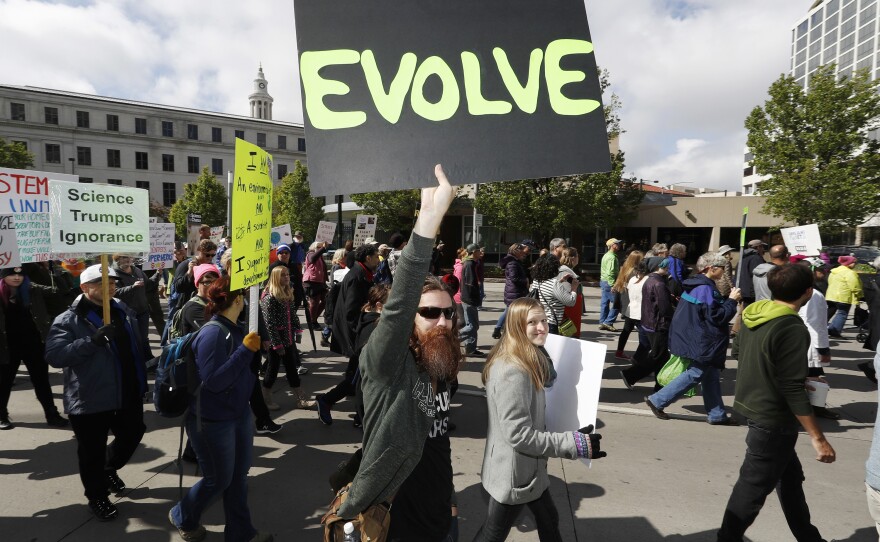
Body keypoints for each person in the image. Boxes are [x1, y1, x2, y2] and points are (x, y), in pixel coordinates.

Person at [335, 165, 458, 542]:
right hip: (390, 518)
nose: (442, 321)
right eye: (429, 313)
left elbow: (437, 439)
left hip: (441, 513)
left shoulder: (440, 360)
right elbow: (399, 301)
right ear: (408, 319)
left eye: (448, 313)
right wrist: (428, 221)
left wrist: (450, 499)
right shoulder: (386, 360)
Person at [717, 264, 836, 542]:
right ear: (807, 292)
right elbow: (792, 387)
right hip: (772, 419)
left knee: (790, 481)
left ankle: (809, 538)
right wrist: (818, 438)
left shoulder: (751, 314)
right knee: (751, 490)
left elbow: (740, 352)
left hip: (752, 406)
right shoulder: (792, 326)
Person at [472, 297, 606, 541]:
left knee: (549, 521)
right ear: (515, 327)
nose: (542, 327)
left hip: (530, 471)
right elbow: (519, 435)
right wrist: (573, 444)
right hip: (515, 474)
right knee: (493, 534)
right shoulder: (512, 370)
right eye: (532, 322)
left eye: (544, 320)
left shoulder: (529, 357)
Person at [168, 276, 273, 542]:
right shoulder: (214, 332)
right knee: (218, 480)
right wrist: (245, 352)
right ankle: (182, 515)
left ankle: (241, 533)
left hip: (236, 415)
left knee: (238, 478)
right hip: (212, 421)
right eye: (246, 296)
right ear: (237, 300)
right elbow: (213, 381)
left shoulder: (234, 328)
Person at [46, 264, 147, 521]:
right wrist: (90, 342)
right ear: (84, 287)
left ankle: (108, 467)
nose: (110, 287)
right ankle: (97, 496)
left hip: (126, 390)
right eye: (101, 283)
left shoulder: (122, 309)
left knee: (133, 432)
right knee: (91, 451)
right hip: (90, 396)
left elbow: (134, 348)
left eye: (112, 282)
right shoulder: (68, 319)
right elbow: (55, 355)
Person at [645, 253, 741, 424]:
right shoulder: (705, 288)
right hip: (703, 339)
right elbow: (717, 317)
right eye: (722, 268)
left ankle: (717, 414)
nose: (725, 272)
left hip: (696, 337)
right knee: (697, 373)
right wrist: (732, 301)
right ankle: (657, 400)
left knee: (710, 375)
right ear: (711, 269)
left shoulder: (697, 284)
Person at [0, 267, 68, 429]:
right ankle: (2, 416)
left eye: (20, 274)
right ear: (3, 276)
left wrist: (55, 274)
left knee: (42, 381)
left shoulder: (33, 289)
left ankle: (52, 414)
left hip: (34, 344)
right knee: (4, 382)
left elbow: (56, 293)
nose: (17, 278)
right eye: (12, 274)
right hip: (7, 346)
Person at [316, 284, 389, 426]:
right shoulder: (374, 324)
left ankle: (329, 402)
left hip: (360, 361)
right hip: (362, 362)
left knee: (353, 384)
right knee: (354, 385)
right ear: (379, 306)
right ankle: (326, 401)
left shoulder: (373, 317)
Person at [260, 266, 313, 410]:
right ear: (276, 277)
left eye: (288, 274)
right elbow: (269, 324)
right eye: (283, 275)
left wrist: (297, 330)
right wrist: (277, 345)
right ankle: (266, 398)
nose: (287, 277)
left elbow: (293, 315)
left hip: (287, 338)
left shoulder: (286, 293)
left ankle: (301, 399)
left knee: (291, 369)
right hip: (275, 342)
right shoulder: (269, 297)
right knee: (272, 369)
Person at [620, 258, 674, 390]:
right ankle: (630, 375)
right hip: (658, 324)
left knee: (661, 356)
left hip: (650, 323)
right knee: (658, 356)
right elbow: (665, 308)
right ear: (656, 267)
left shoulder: (650, 280)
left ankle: (659, 385)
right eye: (664, 266)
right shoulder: (658, 283)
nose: (667, 268)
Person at [797, 260, 840, 420]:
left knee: (809, 377)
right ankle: (814, 409)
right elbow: (815, 324)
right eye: (822, 269)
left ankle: (812, 408)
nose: (825, 272)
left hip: (802, 340)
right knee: (814, 378)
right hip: (810, 343)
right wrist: (822, 348)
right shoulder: (814, 295)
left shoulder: (798, 290)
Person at [330, 243, 380, 358]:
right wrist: (359, 330)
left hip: (354, 328)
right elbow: (351, 309)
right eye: (376, 257)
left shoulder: (361, 272)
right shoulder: (357, 276)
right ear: (368, 258)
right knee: (355, 364)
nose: (379, 260)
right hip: (353, 329)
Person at [112, 253, 154, 360]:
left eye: (130, 257)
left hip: (143, 310)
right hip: (128, 313)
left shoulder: (137, 270)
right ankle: (137, 361)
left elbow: (148, 284)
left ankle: (148, 360)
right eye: (125, 257)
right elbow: (114, 292)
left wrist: (158, 274)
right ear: (117, 259)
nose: (128, 260)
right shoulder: (114, 274)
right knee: (133, 338)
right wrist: (132, 287)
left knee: (143, 337)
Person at [529, 254, 577, 335]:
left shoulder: (536, 280)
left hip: (538, 320)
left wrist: (561, 282)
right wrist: (574, 288)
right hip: (550, 323)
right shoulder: (554, 283)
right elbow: (570, 302)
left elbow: (548, 293)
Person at [492, 242, 531, 340]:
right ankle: (504, 331)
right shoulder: (513, 263)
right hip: (515, 292)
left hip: (514, 292)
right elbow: (514, 278)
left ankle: (499, 329)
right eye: (521, 250)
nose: (523, 252)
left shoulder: (514, 261)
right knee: (511, 312)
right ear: (516, 251)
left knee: (509, 310)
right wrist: (525, 281)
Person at [613, 250, 645, 360]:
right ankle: (640, 357)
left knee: (626, 330)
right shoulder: (635, 273)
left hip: (627, 304)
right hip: (634, 304)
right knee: (642, 331)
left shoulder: (625, 269)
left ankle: (619, 351)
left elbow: (619, 285)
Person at [826, 255, 863, 337]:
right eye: (854, 262)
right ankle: (834, 331)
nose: (855, 264)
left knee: (830, 311)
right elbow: (855, 286)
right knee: (842, 313)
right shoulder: (850, 273)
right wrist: (860, 294)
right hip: (843, 297)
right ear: (849, 263)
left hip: (830, 296)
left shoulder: (834, 271)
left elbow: (829, 282)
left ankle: (824, 326)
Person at [460, 243, 484, 357]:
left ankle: (470, 348)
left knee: (472, 325)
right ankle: (451, 338)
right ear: (474, 252)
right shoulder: (469, 264)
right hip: (469, 299)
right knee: (472, 326)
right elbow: (470, 284)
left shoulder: (470, 263)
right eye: (479, 251)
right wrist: (476, 298)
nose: (481, 252)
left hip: (468, 299)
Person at [302, 241, 330, 330]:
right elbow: (312, 259)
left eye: (320, 246)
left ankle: (312, 319)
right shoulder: (310, 254)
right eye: (318, 246)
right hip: (311, 281)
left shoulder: (320, 257)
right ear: (313, 247)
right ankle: (313, 322)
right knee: (314, 302)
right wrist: (323, 248)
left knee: (326, 300)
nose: (320, 248)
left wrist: (325, 281)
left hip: (320, 282)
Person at [559, 247, 584, 338]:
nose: (578, 258)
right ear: (573, 258)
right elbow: (565, 294)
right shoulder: (565, 272)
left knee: (570, 336)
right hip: (569, 311)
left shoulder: (567, 270)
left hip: (572, 309)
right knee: (570, 337)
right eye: (577, 255)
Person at [599, 238, 622, 331]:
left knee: (604, 303)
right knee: (617, 304)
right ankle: (608, 322)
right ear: (612, 245)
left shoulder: (606, 255)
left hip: (604, 281)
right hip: (609, 282)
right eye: (617, 243)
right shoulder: (612, 257)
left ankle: (602, 322)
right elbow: (610, 272)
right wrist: (613, 284)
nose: (619, 245)